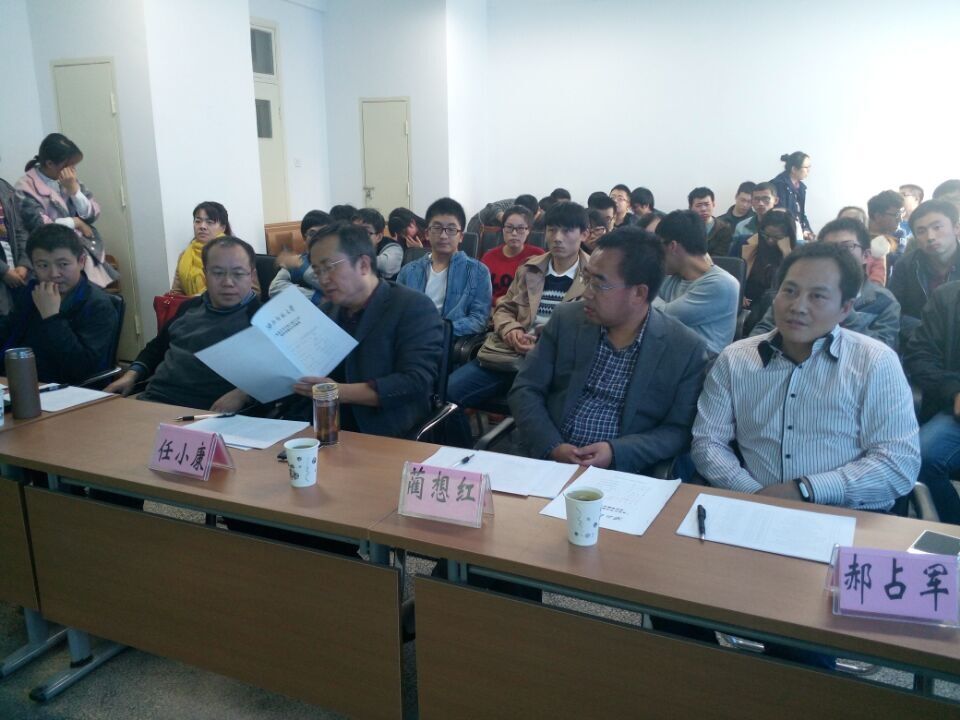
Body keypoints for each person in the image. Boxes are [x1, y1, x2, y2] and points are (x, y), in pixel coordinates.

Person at [693, 241, 919, 511]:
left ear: (845, 308)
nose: (798, 306)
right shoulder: (735, 359)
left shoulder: (875, 362)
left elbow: (898, 463)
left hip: (847, 514)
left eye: (817, 296)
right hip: (752, 506)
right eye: (790, 291)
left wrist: (806, 489)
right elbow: (708, 442)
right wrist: (754, 495)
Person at [509, 227, 708, 473]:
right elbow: (526, 389)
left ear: (639, 293)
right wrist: (552, 446)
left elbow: (678, 431)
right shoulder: (567, 319)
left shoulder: (684, 348)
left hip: (622, 473)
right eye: (587, 279)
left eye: (599, 285)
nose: (587, 293)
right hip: (549, 461)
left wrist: (616, 452)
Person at [446, 202, 590, 447]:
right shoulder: (530, 268)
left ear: (584, 234)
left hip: (557, 365)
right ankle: (464, 457)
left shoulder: (594, 275)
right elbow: (504, 308)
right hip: (508, 356)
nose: (557, 238)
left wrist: (546, 342)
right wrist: (511, 330)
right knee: (447, 394)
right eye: (552, 230)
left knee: (544, 417)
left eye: (567, 231)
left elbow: (593, 327)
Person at [289, 222, 443, 438]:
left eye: (330, 267)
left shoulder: (412, 306)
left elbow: (415, 381)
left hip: (388, 432)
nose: (323, 279)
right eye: (317, 271)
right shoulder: (326, 311)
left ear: (363, 264)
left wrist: (336, 392)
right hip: (325, 429)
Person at [105, 236, 261, 412]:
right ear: (205, 274)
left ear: (252, 275)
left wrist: (243, 394)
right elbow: (157, 347)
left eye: (238, 274)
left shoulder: (263, 318)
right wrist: (131, 375)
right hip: (153, 400)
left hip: (206, 413)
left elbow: (278, 374)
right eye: (218, 273)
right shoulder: (190, 307)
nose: (228, 283)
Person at [749, 217, 901, 350]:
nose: (837, 256)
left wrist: (843, 311)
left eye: (847, 247)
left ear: (866, 255)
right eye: (828, 249)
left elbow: (883, 350)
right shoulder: (797, 291)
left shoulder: (883, 302)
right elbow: (764, 330)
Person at [0, 224, 118, 383]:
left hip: (70, 389)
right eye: (43, 265)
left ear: (81, 261)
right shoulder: (32, 292)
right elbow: (8, 331)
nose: (54, 274)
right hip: (21, 380)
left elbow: (81, 368)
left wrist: (51, 317)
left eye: (63, 264)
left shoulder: (99, 305)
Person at [15, 133, 116, 288]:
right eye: (69, 165)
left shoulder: (69, 181)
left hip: (81, 251)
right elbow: (40, 226)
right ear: (50, 163)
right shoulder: (25, 186)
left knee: (92, 294)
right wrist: (75, 222)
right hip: (51, 257)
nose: (73, 170)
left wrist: (75, 191)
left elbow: (93, 214)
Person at [904, 280, 960, 524]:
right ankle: (953, 531)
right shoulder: (948, 297)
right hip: (954, 408)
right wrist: (954, 391)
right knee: (920, 457)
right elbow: (920, 356)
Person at [396, 197, 492, 338]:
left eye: (451, 229)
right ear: (427, 233)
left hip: (449, 341)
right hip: (410, 340)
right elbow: (396, 312)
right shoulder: (408, 271)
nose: (443, 235)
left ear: (461, 236)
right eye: (437, 228)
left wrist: (440, 329)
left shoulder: (478, 272)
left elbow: (478, 320)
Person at [654, 210, 739, 355]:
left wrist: (649, 298)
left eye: (658, 247)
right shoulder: (673, 277)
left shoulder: (722, 284)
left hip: (702, 364)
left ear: (672, 246)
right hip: (668, 354)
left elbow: (660, 317)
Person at [889, 199, 960, 337]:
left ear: (956, 228)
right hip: (916, 340)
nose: (930, 237)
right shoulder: (905, 265)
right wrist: (927, 331)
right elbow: (892, 311)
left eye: (937, 227)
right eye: (921, 231)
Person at [480, 204, 544, 305]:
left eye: (520, 228)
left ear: (528, 230)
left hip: (525, 310)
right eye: (509, 227)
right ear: (503, 229)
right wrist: (495, 300)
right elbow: (478, 291)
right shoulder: (488, 257)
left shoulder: (539, 256)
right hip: (493, 309)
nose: (514, 233)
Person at [171, 201, 233, 296]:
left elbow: (250, 291)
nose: (202, 226)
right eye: (198, 221)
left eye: (209, 222)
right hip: (191, 305)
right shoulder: (185, 256)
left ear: (223, 228)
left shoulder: (235, 254)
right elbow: (176, 293)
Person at [269, 209, 331, 302]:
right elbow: (275, 288)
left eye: (323, 233)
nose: (318, 238)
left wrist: (301, 266)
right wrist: (315, 297)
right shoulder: (299, 259)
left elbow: (331, 285)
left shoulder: (336, 261)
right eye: (313, 233)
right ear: (304, 237)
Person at [741, 209, 796, 308]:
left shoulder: (797, 254)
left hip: (778, 305)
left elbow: (795, 285)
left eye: (777, 237)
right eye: (766, 235)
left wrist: (787, 254)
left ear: (788, 236)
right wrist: (739, 293)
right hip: (747, 303)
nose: (770, 240)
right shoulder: (748, 244)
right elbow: (734, 274)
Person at [0, 177, 31, 316]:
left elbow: (20, 229)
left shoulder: (4, 187)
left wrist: (24, 264)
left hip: (17, 270)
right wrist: (4, 271)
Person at [770, 151, 813, 241]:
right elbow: (781, 214)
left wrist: (806, 229)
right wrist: (798, 231)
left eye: (809, 167)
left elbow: (801, 213)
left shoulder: (801, 187)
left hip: (797, 231)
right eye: (806, 167)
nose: (809, 170)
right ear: (794, 169)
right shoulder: (779, 184)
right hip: (782, 233)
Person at [865, 190, 906, 285]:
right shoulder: (860, 234)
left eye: (901, 214)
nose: (900, 219)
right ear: (878, 216)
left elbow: (899, 261)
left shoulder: (899, 234)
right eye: (896, 215)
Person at [729, 182, 778, 257]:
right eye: (756, 199)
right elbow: (735, 259)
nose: (761, 203)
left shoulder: (788, 225)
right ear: (752, 202)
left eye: (766, 199)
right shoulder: (742, 226)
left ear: (776, 200)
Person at [688, 187, 733, 257]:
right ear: (690, 208)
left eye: (707, 204)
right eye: (698, 205)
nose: (703, 209)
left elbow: (720, 257)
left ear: (713, 204)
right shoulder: (685, 228)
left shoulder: (724, 229)